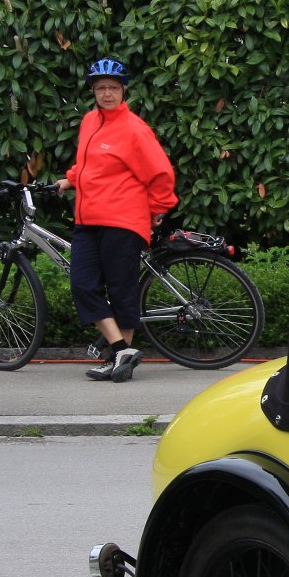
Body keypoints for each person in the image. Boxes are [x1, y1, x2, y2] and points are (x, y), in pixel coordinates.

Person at [54, 58, 177, 382]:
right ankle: (122, 349)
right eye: (100, 88)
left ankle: (118, 359)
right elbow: (90, 164)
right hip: (88, 219)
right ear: (93, 91)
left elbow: (161, 174)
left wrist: (157, 208)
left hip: (123, 219)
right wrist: (70, 179)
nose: (107, 94)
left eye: (113, 88)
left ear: (123, 90)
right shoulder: (89, 121)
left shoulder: (135, 130)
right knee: (83, 285)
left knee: (121, 290)